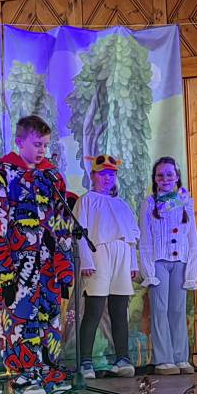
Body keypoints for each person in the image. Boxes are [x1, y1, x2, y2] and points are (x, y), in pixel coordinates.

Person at [0, 115, 74, 394]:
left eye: (45, 145)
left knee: (49, 317)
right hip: (17, 265)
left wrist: (64, 264)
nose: (42, 150)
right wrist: (4, 269)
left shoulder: (52, 177)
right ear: (19, 141)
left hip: (48, 263)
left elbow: (62, 222)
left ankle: (48, 371)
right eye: (37, 144)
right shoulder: (3, 176)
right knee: (19, 319)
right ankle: (23, 376)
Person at [73, 155, 139, 379]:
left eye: (111, 174)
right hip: (98, 255)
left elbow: (131, 237)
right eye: (102, 174)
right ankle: (85, 362)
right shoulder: (86, 201)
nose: (107, 178)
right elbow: (80, 234)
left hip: (121, 256)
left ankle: (123, 358)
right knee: (94, 309)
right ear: (93, 176)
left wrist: (132, 263)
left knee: (119, 310)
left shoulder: (122, 204)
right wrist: (86, 260)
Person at [139, 156, 197, 375]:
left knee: (178, 310)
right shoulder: (149, 203)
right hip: (158, 262)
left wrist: (192, 269)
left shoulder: (186, 201)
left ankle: (180, 357)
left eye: (169, 174)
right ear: (155, 178)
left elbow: (192, 237)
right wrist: (148, 270)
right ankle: (163, 359)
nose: (165, 179)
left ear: (177, 176)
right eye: (160, 175)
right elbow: (145, 238)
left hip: (180, 262)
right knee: (160, 310)